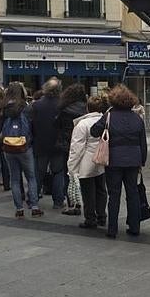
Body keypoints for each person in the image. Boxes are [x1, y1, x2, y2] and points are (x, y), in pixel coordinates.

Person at [90, 85, 147, 238]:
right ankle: (135, 227)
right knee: (133, 193)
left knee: (114, 195)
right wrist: (142, 160)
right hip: (133, 160)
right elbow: (143, 142)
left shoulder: (109, 116)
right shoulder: (137, 118)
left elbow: (94, 131)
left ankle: (112, 229)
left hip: (113, 160)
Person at [2, 82, 43, 219]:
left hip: (8, 146)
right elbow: (33, 127)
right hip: (25, 146)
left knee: (14, 179)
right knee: (31, 177)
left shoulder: (4, 107)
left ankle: (19, 209)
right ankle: (34, 207)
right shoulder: (27, 107)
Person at [68, 95, 108, 229]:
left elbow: (77, 148)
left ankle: (90, 218)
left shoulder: (82, 124)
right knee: (101, 189)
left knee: (88, 192)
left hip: (86, 161)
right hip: (102, 159)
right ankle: (102, 215)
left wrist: (72, 167)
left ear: (87, 108)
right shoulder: (105, 120)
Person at [32, 79, 64, 209]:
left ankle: (33, 199)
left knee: (38, 173)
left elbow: (31, 125)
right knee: (58, 172)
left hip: (40, 143)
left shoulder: (36, 105)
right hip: (58, 144)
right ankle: (58, 201)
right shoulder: (62, 105)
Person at [57, 83, 88, 215]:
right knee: (84, 175)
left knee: (68, 174)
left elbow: (56, 125)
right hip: (84, 145)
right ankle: (84, 202)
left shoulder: (63, 109)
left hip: (67, 144)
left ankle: (72, 203)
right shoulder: (85, 109)